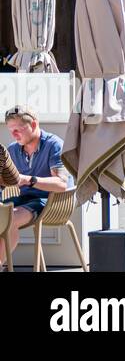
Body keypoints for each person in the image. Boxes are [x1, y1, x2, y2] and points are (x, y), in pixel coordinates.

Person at [2, 105, 68, 268]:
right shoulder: (13, 149)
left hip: (50, 201)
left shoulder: (54, 145)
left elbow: (61, 184)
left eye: (18, 129)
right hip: (22, 199)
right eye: (11, 130)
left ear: (33, 125)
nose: (14, 134)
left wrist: (29, 179)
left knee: (8, 220)